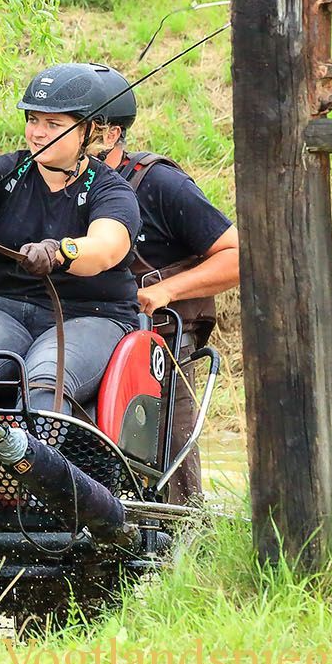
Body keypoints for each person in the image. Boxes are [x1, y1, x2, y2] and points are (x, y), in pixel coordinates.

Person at [0, 63, 143, 417]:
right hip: (4, 309)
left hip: (89, 316)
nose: (38, 133)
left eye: (53, 124)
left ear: (88, 132)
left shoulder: (111, 190)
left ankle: (38, 472)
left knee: (45, 378)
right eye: (33, 120)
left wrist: (61, 252)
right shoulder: (1, 171)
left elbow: (105, 249)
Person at [90, 64, 241, 503]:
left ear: (111, 134)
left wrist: (165, 290)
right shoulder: (55, 183)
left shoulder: (159, 184)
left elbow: (239, 256)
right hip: (88, 331)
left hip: (161, 344)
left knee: (167, 460)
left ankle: (183, 539)